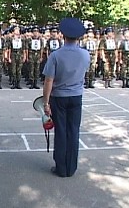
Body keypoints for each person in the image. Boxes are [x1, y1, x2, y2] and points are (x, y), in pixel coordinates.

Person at [42, 17, 90, 177]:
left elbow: (49, 79)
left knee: (61, 132)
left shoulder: (56, 55)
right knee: (74, 131)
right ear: (79, 37)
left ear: (63, 35)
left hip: (59, 97)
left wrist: (46, 102)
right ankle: (71, 167)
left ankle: (61, 167)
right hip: (76, 96)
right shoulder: (85, 54)